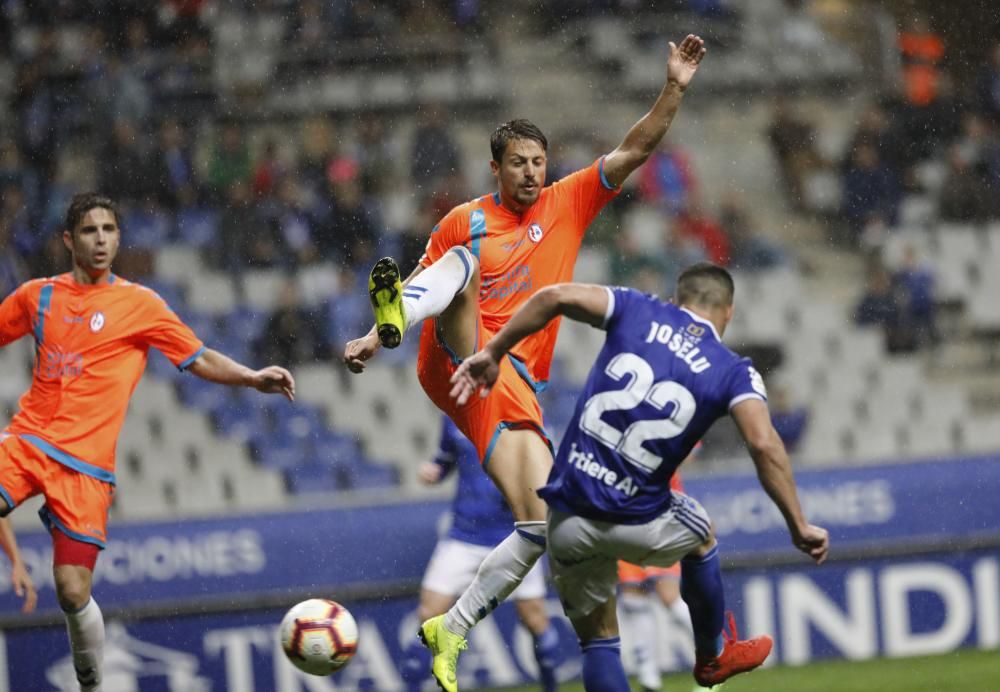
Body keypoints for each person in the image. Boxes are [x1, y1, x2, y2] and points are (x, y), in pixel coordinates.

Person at [344, 34, 707, 691]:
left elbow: (636, 149)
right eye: (519, 163)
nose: (533, 172)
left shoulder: (567, 202)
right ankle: (395, 321)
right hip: (454, 352)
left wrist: (674, 87)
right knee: (462, 266)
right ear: (497, 168)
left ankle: (450, 628)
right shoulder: (465, 217)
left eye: (540, 161)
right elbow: (432, 279)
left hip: (510, 387)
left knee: (544, 523)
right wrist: (376, 335)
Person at [449, 263, 829, 690]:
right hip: (637, 518)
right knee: (702, 535)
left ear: (676, 299)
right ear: (729, 312)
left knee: (598, 642)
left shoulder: (637, 308)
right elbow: (763, 443)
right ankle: (712, 658)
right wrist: (797, 523)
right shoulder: (733, 369)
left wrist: (494, 351)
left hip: (568, 515)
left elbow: (553, 296)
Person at [0, 192, 296, 692]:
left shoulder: (140, 304)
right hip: (28, 440)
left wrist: (250, 377)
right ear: (68, 240)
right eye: (90, 231)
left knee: (72, 592)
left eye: (109, 230)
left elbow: (198, 357)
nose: (101, 240)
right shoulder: (38, 296)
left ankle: (90, 678)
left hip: (87, 468)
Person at [401, 416, 561, 692]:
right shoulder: (454, 416)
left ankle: (551, 687)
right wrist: (434, 471)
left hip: (515, 536)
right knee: (427, 615)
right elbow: (446, 458)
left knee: (535, 621)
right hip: (463, 536)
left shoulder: (521, 413)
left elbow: (546, 469)